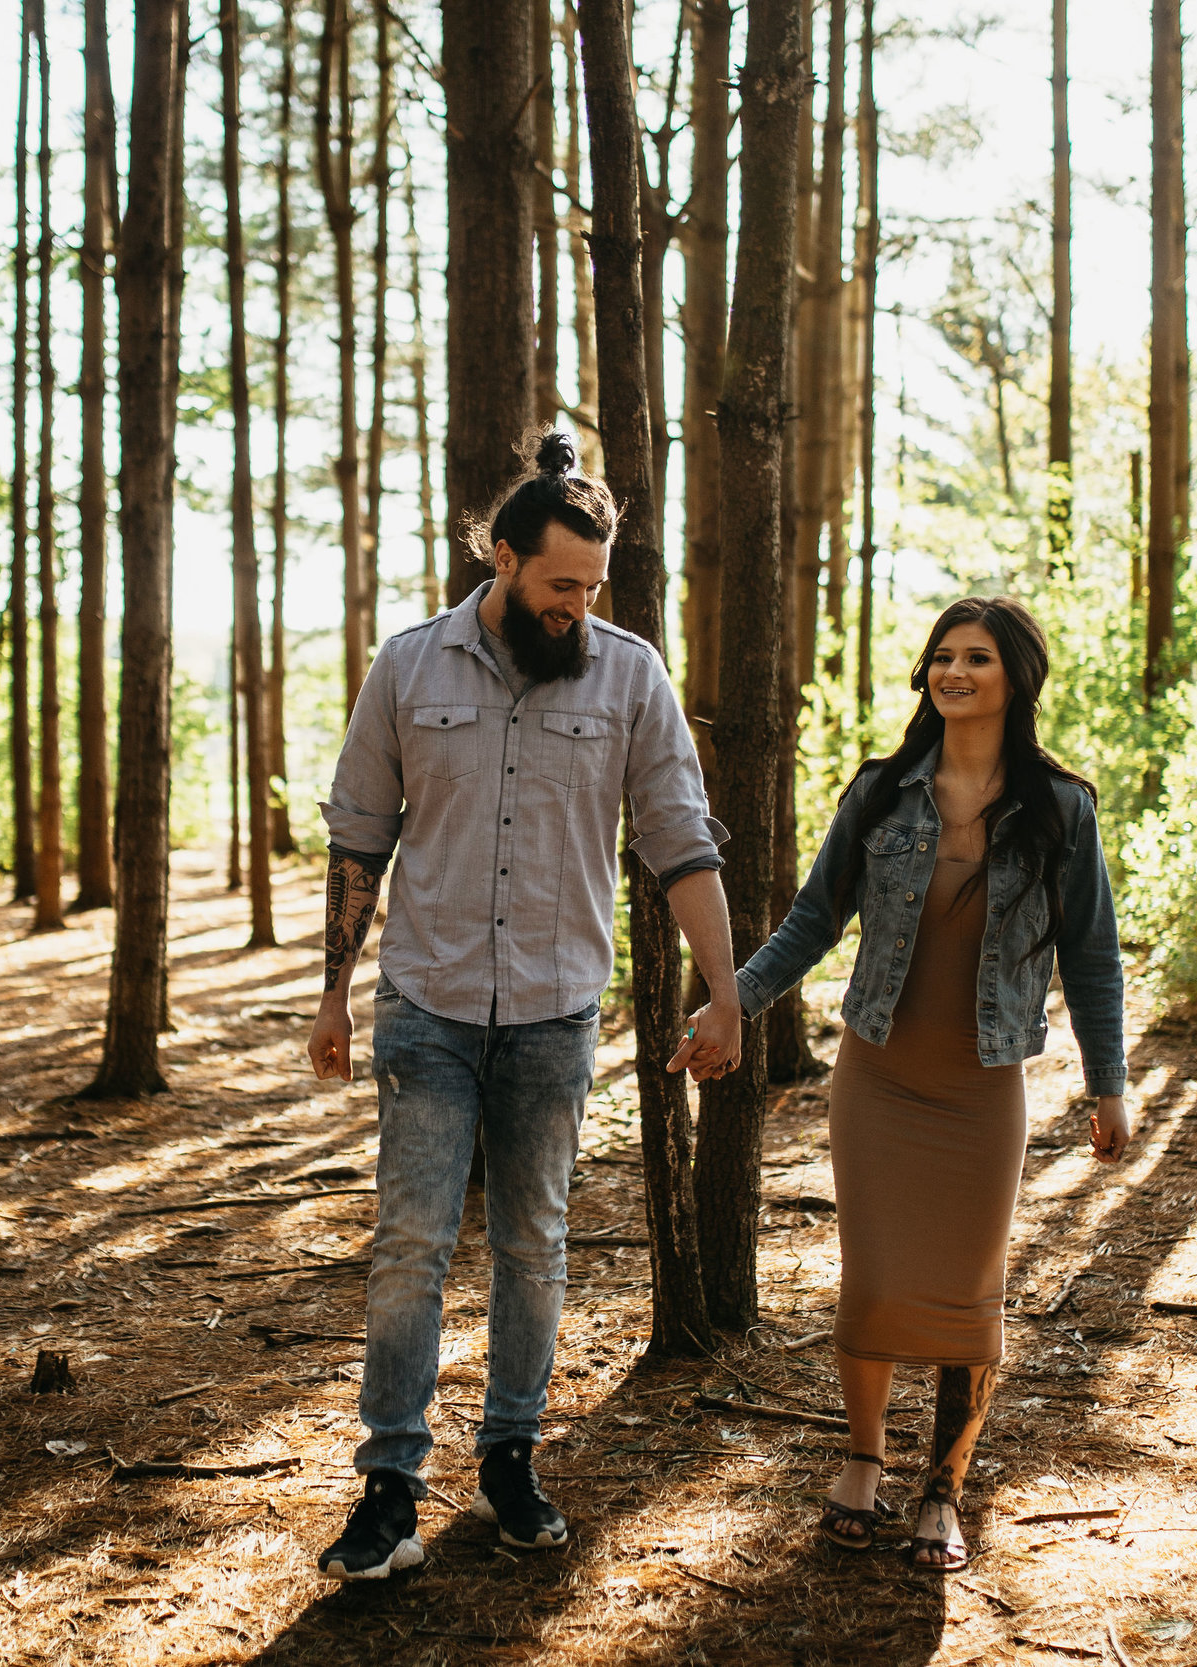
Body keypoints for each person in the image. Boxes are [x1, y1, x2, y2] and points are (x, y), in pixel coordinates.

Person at [309, 432, 745, 1579]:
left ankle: (510, 1454)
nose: (578, 609)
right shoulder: (408, 667)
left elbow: (679, 841)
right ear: (501, 559)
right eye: (560, 585)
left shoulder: (629, 674)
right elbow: (359, 836)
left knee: (532, 1243)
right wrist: (333, 996)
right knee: (409, 1244)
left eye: (593, 588)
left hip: (554, 1012)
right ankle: (389, 1486)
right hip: (428, 1004)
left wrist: (726, 989)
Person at [705, 596, 1132, 1573]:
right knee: (875, 1280)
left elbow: (1093, 956)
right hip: (879, 1076)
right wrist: (735, 1000)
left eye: (975, 657)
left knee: (965, 1293)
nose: (953, 672)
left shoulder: (1060, 807)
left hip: (984, 1086)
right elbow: (812, 920)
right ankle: (862, 1460)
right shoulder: (883, 791)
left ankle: (943, 1486)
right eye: (941, 656)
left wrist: (1108, 1085)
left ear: (1015, 676)